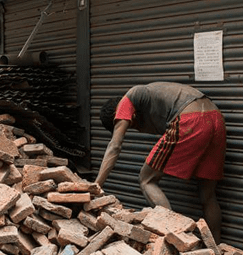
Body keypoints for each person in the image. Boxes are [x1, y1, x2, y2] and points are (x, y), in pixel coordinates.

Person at [96, 82, 226, 243]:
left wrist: (96, 186)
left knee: (146, 180)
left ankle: (173, 238)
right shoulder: (148, 97)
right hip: (216, 118)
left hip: (190, 119)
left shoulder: (126, 101)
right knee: (207, 194)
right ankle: (218, 248)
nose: (133, 127)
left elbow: (114, 146)